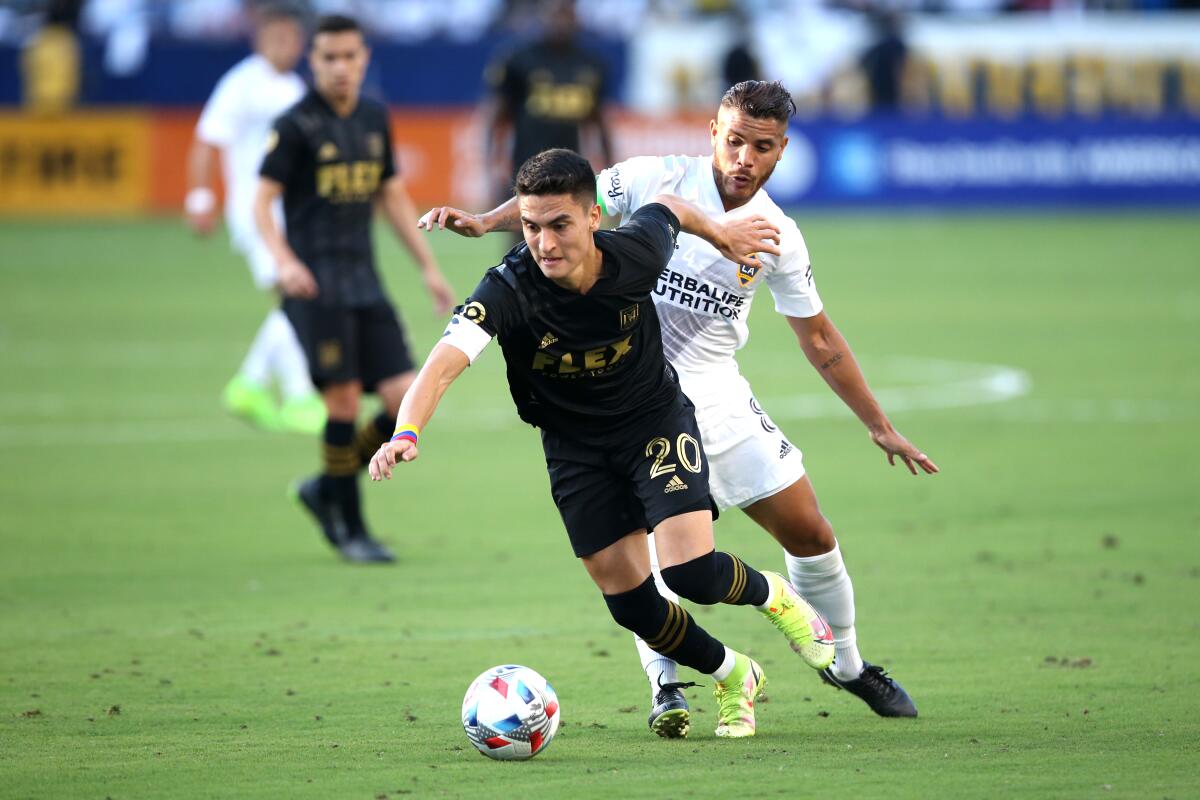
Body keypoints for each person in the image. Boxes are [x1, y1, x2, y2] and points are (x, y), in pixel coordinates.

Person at [419, 81, 939, 736]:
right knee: (647, 554)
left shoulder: (779, 234)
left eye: (762, 146)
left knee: (810, 533)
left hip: (715, 393)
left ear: (781, 150)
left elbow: (820, 339)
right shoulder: (652, 179)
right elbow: (558, 205)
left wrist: (879, 425)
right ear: (713, 134)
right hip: (625, 395)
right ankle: (668, 684)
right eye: (734, 140)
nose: (744, 157)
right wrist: (486, 222)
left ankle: (849, 665)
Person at [370, 148, 835, 738]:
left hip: (653, 423)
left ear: (594, 218)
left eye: (560, 225)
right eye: (533, 227)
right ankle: (733, 674)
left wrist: (718, 233)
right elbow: (440, 365)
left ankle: (778, 598)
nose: (544, 243)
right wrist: (406, 433)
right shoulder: (508, 288)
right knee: (632, 605)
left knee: (691, 572)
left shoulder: (636, 253)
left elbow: (667, 207)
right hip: (573, 448)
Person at [253, 13, 456, 563]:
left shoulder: (372, 117)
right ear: (312, 62)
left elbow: (390, 194)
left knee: (401, 397)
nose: (341, 67)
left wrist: (428, 266)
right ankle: (350, 529)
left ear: (364, 59)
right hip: (315, 288)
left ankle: (326, 488)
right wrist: (283, 260)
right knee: (342, 402)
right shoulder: (296, 125)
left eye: (350, 57)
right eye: (329, 58)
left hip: (365, 281)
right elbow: (261, 200)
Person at [186, 4, 325, 434]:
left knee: (298, 299)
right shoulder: (242, 84)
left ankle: (258, 385)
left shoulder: (294, 87)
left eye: (292, 38)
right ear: (259, 39)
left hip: (292, 211)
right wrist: (199, 197)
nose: (286, 46)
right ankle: (291, 394)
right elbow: (208, 139)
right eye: (277, 38)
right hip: (257, 209)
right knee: (297, 298)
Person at [483, 0, 613, 210]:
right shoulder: (518, 59)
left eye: (566, 13)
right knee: (524, 237)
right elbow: (495, 118)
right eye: (555, 14)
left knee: (569, 238)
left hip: (572, 173)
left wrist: (610, 173)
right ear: (543, 15)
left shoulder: (591, 64)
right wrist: (492, 170)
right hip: (525, 171)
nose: (561, 21)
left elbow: (600, 125)